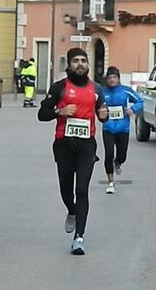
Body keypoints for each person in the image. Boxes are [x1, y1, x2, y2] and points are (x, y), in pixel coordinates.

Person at [37, 47, 108, 255]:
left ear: (88, 65)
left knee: (82, 190)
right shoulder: (59, 87)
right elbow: (42, 113)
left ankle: (79, 237)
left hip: (87, 145)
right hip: (64, 143)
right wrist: (60, 111)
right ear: (69, 65)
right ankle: (71, 210)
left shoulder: (96, 89)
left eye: (83, 61)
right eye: (76, 61)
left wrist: (103, 116)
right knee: (66, 189)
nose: (80, 64)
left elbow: (102, 114)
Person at [101, 66, 143, 194]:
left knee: (122, 155)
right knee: (108, 154)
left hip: (123, 128)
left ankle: (118, 162)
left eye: (114, 77)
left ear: (118, 79)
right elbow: (94, 105)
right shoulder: (103, 92)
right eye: (109, 78)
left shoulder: (125, 91)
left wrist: (132, 110)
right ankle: (110, 182)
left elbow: (140, 101)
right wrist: (100, 112)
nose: (112, 80)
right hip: (108, 127)